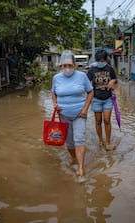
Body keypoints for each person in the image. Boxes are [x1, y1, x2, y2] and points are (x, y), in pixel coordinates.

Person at [51, 50, 94, 181]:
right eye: (65, 65)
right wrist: (55, 104)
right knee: (69, 141)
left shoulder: (82, 76)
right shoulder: (56, 78)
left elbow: (90, 92)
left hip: (80, 114)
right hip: (63, 114)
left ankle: (80, 167)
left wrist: (85, 109)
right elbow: (53, 92)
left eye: (70, 65)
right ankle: (73, 157)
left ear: (74, 66)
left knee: (79, 138)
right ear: (61, 66)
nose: (67, 68)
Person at [87, 49, 117, 151]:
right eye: (99, 60)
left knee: (107, 120)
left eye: (103, 60)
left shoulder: (110, 69)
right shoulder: (92, 70)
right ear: (96, 60)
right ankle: (100, 140)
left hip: (108, 98)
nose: (101, 62)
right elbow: (86, 82)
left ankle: (108, 142)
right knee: (98, 121)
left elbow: (114, 78)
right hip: (96, 99)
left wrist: (112, 81)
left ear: (106, 60)